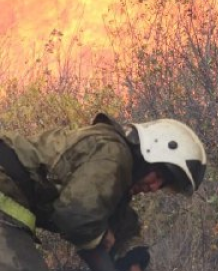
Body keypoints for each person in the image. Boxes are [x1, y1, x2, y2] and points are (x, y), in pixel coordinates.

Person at [0, 113, 207, 271]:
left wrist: (132, 258)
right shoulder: (114, 155)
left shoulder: (115, 176)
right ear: (149, 154)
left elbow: (119, 221)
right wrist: (99, 239)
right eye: (159, 175)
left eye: (162, 185)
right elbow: (77, 217)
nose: (153, 187)